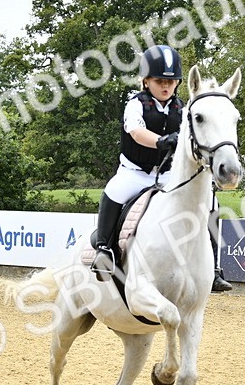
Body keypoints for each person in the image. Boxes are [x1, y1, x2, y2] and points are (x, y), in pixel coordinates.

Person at [89, 44, 231, 292]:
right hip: (136, 173)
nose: (166, 86)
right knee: (113, 192)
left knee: (212, 205)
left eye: (171, 81)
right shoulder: (135, 104)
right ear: (145, 81)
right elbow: (135, 131)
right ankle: (104, 251)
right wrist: (160, 141)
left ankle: (215, 269)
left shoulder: (185, 108)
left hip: (169, 177)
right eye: (158, 81)